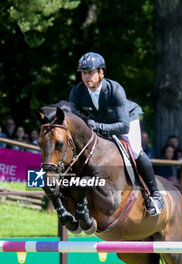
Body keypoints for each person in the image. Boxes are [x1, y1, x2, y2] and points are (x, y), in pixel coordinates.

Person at [69, 52, 165, 216]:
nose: (86, 76)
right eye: (84, 73)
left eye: (90, 72)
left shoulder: (114, 89)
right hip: (100, 125)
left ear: (101, 73)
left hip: (125, 121)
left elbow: (123, 126)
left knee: (135, 150)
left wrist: (98, 126)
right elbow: (73, 119)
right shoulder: (77, 91)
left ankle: (155, 194)